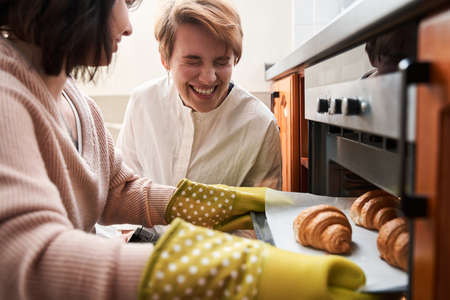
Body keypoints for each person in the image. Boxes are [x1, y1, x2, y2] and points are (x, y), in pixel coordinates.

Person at [0, 0, 376, 299]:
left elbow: (116, 191)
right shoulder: (6, 94)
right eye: (118, 1)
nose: (127, 25)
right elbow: (24, 260)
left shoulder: (77, 101)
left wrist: (210, 202)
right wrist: (233, 278)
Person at [116, 0, 282, 190]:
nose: (208, 78)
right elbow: (124, 188)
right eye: (193, 62)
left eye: (221, 62)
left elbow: (264, 212)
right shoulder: (143, 103)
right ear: (165, 59)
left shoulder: (260, 125)